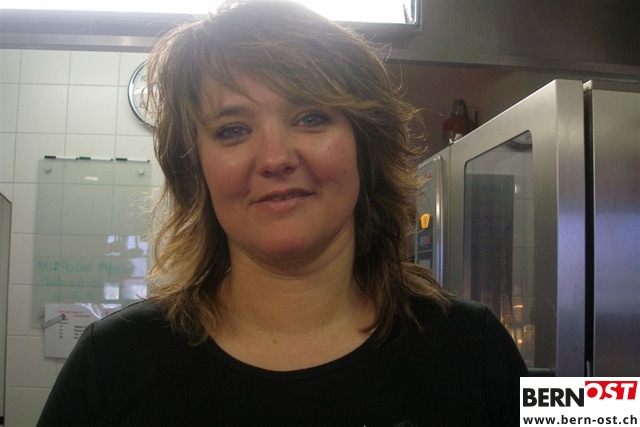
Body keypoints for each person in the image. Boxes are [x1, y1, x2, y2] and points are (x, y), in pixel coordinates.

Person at [38, 1, 527, 425]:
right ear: (195, 169)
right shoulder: (110, 363)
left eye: (311, 117)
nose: (275, 158)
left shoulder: (477, 348)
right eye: (232, 130)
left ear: (365, 146)